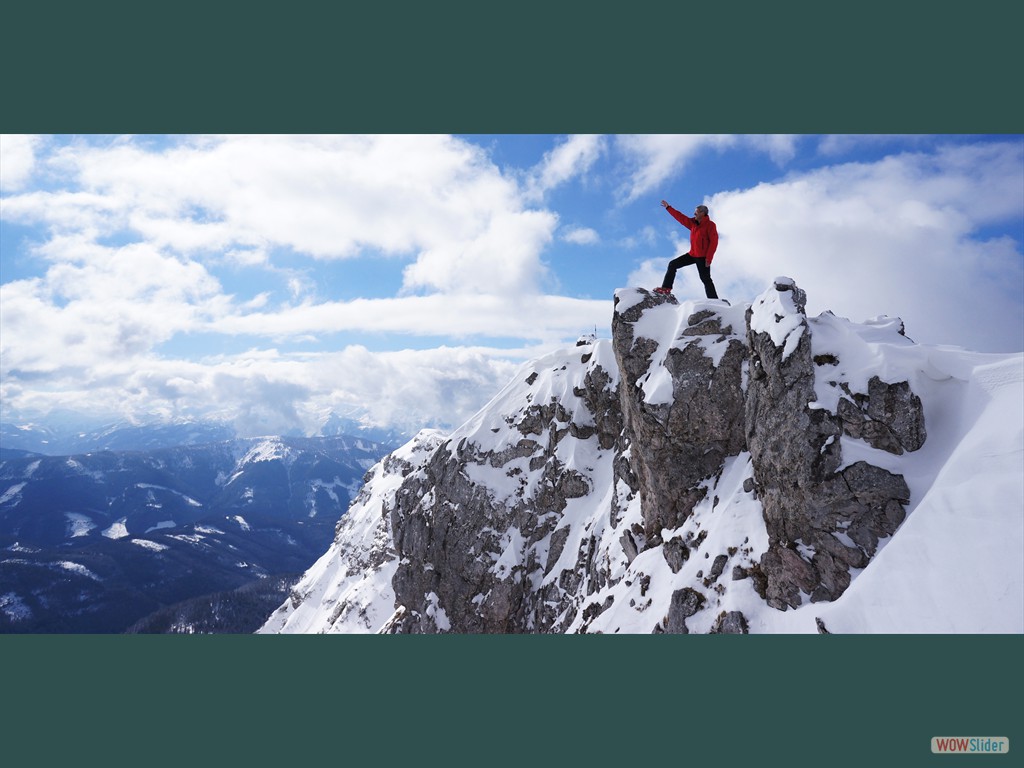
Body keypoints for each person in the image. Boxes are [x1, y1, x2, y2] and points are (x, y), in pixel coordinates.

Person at [655, 200, 719, 299]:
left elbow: (714, 242)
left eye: (696, 212)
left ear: (703, 213)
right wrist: (668, 208)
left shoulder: (710, 225)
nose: (694, 214)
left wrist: (709, 258)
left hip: (703, 257)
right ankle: (666, 288)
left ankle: (714, 300)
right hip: (692, 255)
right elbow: (680, 217)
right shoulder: (693, 223)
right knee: (672, 264)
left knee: (705, 279)